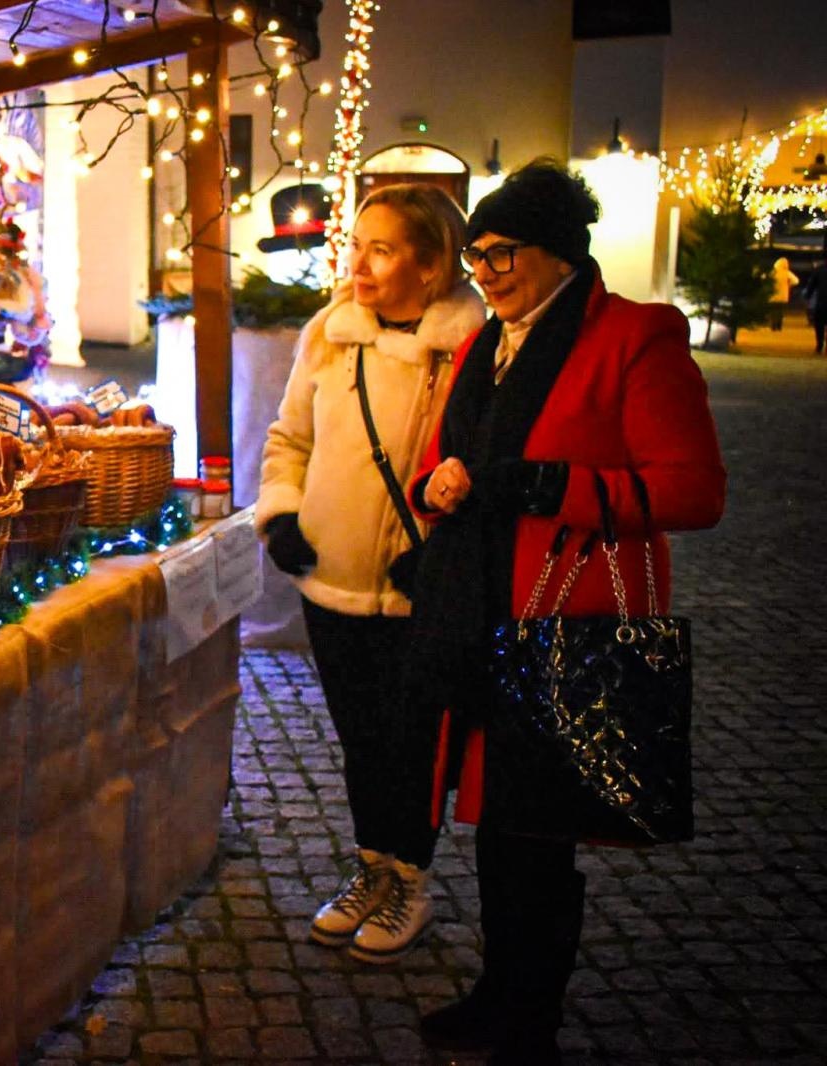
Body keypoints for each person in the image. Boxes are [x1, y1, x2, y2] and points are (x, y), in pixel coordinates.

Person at [406, 160, 726, 1064]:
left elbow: (693, 493)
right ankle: (500, 993)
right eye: (476, 257)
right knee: (498, 826)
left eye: (503, 253)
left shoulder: (636, 336)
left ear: (559, 252)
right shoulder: (486, 343)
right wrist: (441, 486)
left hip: (562, 624)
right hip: (477, 612)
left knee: (537, 832)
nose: (487, 273)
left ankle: (528, 1017)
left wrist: (549, 485)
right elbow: (455, 458)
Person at [256, 184, 487, 962]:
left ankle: (411, 883)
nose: (357, 262)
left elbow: (484, 467)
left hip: (416, 592)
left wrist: (445, 552)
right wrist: (282, 514)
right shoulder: (330, 333)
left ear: (431, 266)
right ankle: (371, 869)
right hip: (331, 581)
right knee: (360, 737)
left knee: (413, 742)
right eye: (356, 244)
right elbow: (289, 438)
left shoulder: (471, 349)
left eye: (381, 249)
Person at [801, 252, 827, 355]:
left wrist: (807, 296)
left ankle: (819, 345)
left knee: (819, 324)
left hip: (822, 301)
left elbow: (811, 286)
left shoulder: (819, 270)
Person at [769, 255, 799, 330]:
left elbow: (764, 278)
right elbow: (796, 281)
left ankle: (773, 326)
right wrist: (789, 284)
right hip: (783, 295)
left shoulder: (772, 272)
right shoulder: (787, 273)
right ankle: (779, 326)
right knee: (780, 311)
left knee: (773, 311)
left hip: (772, 295)